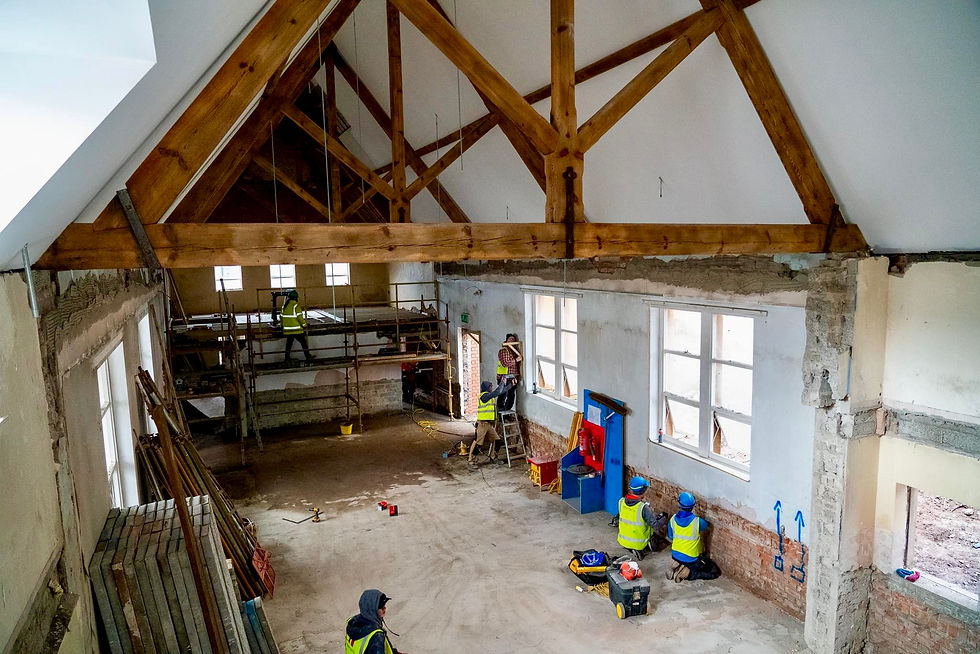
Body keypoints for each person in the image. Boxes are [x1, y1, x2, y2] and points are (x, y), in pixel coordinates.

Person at [667, 491, 721, 582]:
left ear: (679, 505)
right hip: (691, 559)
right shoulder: (697, 522)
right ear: (693, 507)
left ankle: (678, 564)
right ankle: (686, 573)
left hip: (675, 555)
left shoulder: (672, 520)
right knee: (714, 572)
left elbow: (671, 537)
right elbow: (706, 525)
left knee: (685, 560)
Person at [616, 476, 668, 560]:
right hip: (638, 543)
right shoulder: (643, 508)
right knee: (656, 537)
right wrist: (664, 517)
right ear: (644, 490)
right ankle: (641, 550)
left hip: (622, 540)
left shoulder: (621, 501)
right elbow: (656, 526)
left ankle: (631, 548)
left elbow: (630, 516)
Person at [345, 589, 402, 654]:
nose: (385, 609)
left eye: (384, 606)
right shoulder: (376, 636)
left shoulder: (351, 622)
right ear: (373, 610)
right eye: (382, 607)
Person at [469, 379, 510, 467]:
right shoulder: (484, 397)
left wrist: (511, 385)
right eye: (490, 387)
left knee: (497, 440)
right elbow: (497, 391)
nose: (492, 388)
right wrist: (502, 382)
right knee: (478, 443)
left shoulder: (489, 396)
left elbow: (500, 391)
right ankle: (471, 460)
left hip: (488, 424)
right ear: (486, 388)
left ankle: (493, 457)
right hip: (482, 424)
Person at [281, 290, 315, 363]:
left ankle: (287, 358)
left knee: (289, 344)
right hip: (296, 329)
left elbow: (281, 317)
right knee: (303, 343)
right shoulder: (296, 306)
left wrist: (282, 326)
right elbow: (300, 317)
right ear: (296, 298)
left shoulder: (284, 306)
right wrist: (305, 325)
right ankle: (308, 357)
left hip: (287, 330)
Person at [495, 334, 522, 411]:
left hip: (513, 378)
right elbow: (505, 363)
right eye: (510, 339)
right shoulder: (503, 351)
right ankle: (500, 414)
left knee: (511, 396)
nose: (511, 341)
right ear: (506, 340)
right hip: (504, 377)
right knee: (503, 395)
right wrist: (516, 360)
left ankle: (506, 413)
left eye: (513, 339)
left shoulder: (514, 351)